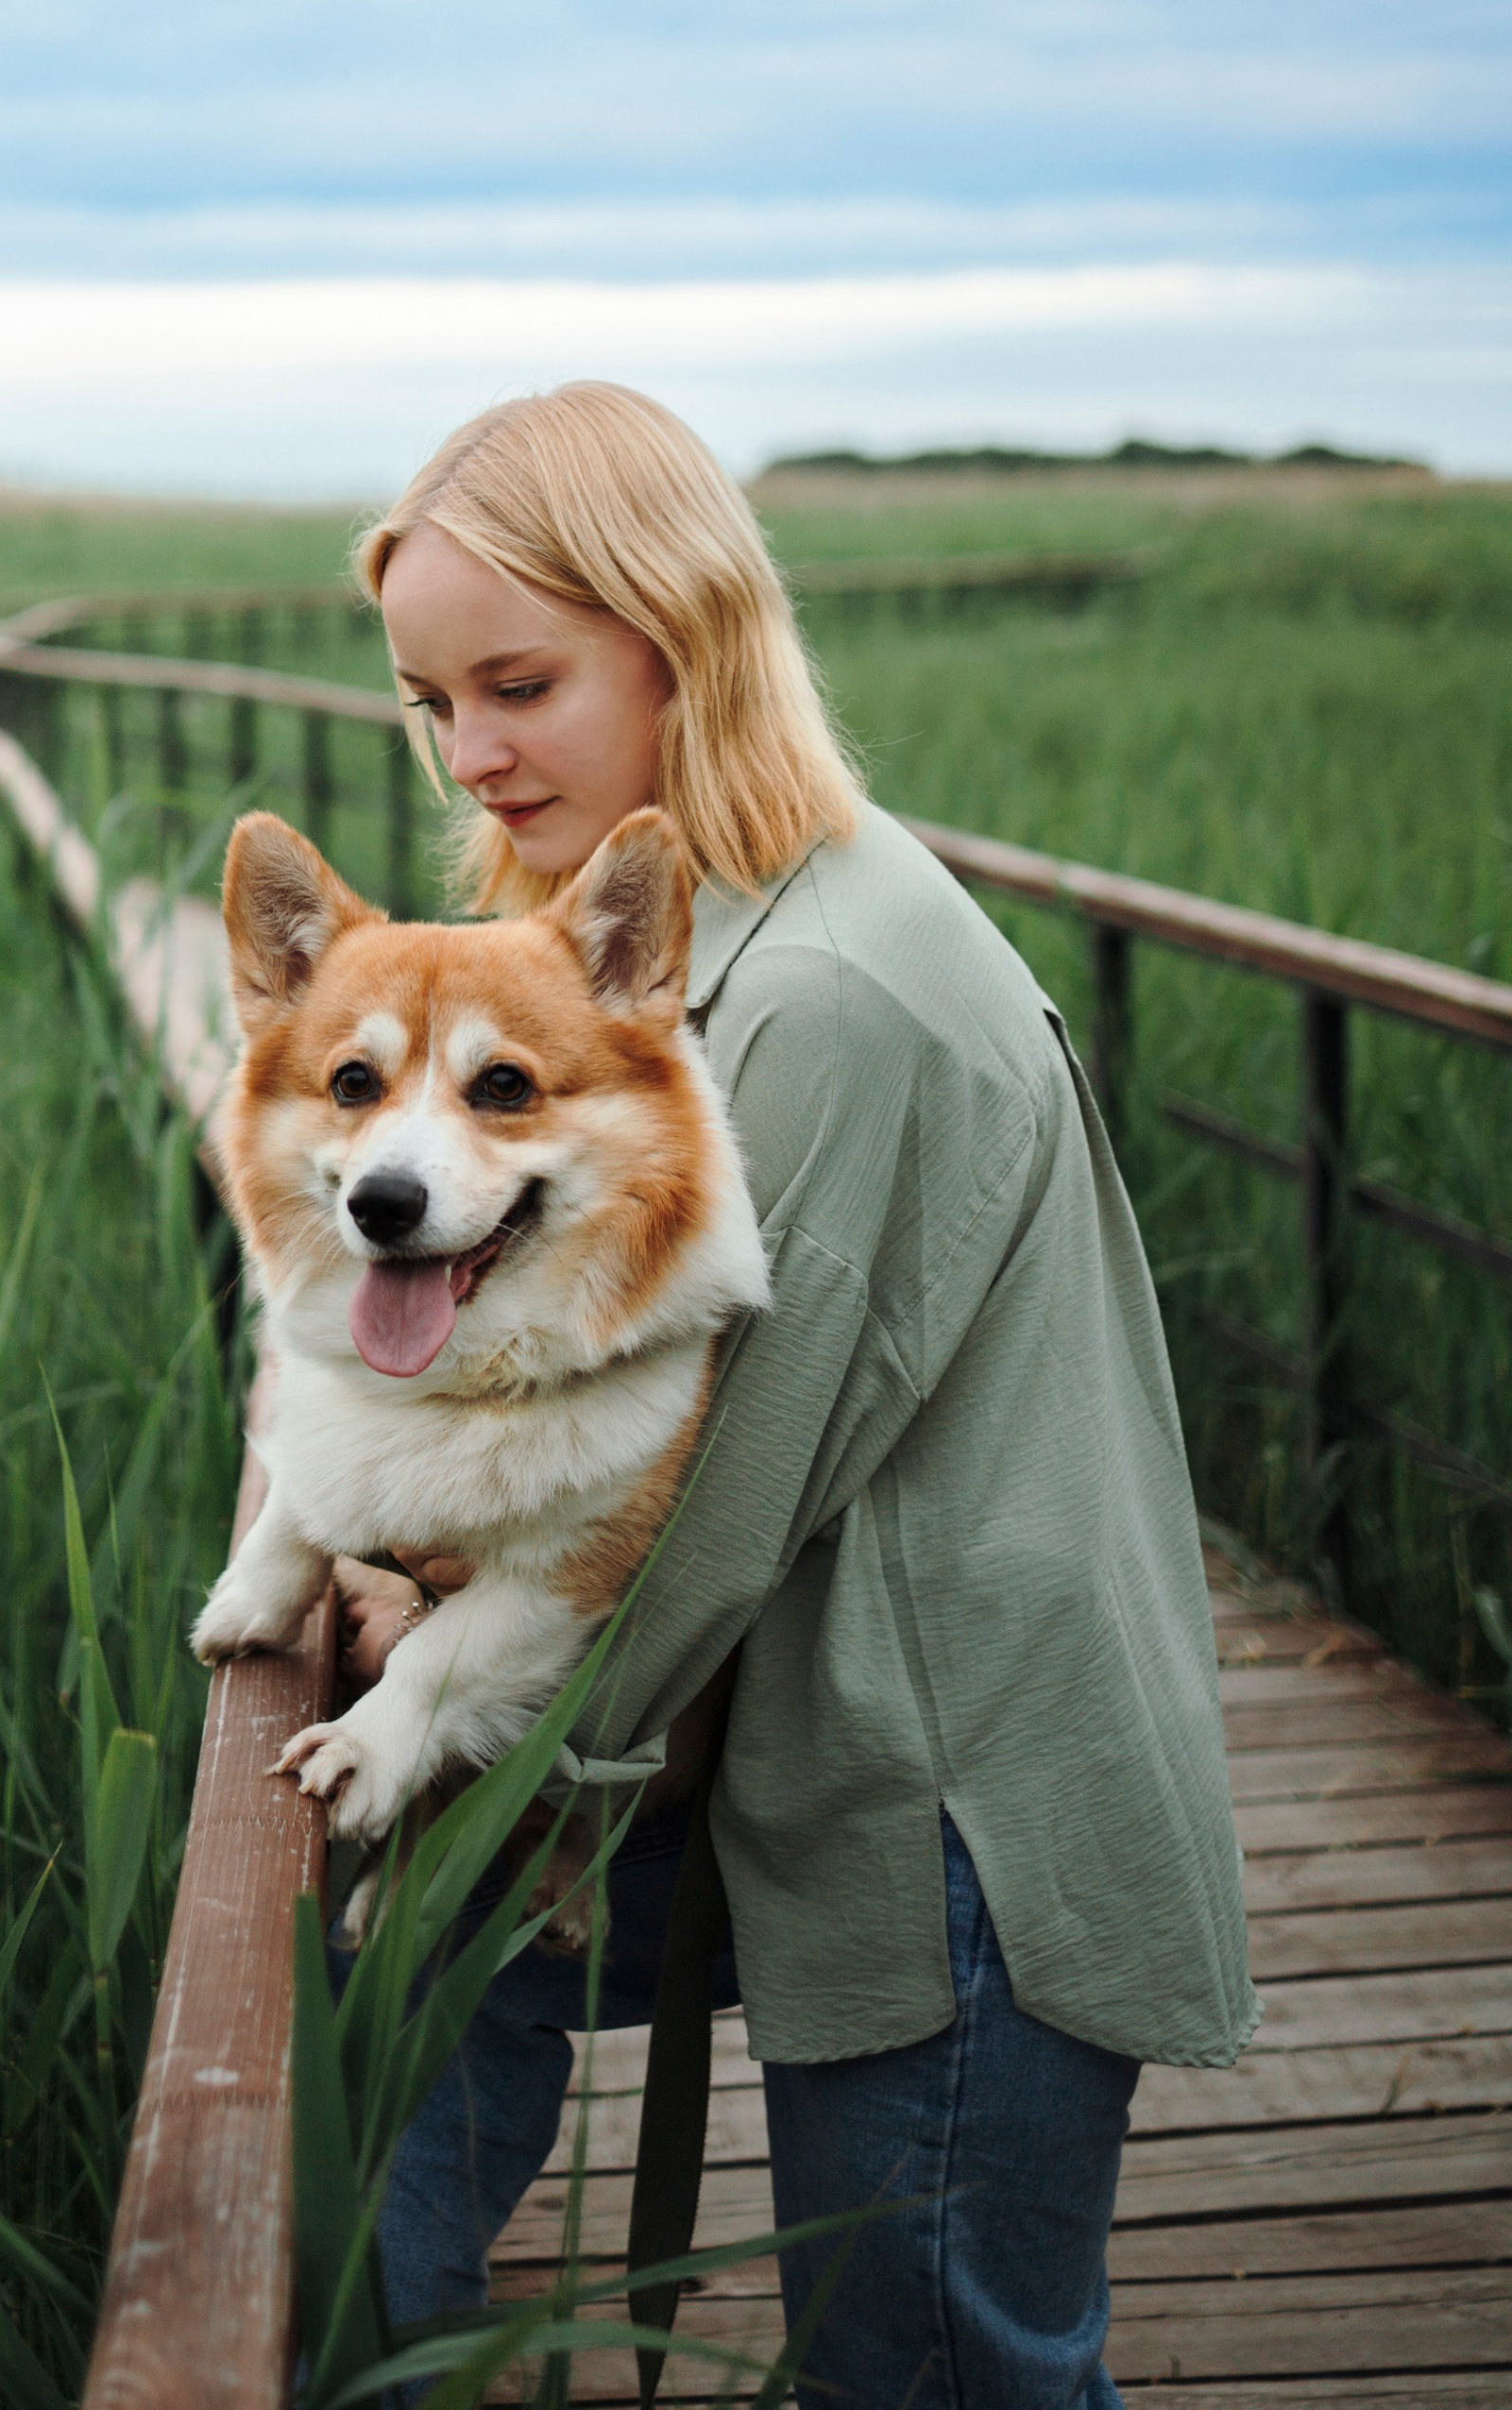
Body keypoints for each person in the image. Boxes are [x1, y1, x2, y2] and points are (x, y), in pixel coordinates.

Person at [331, 382, 1252, 2409]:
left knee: (933, 2377)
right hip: (814, 1724)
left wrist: (450, 1688)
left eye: (518, 686)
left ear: (686, 635)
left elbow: (699, 1511)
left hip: (956, 1807)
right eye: (430, 702)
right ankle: (340, 2338)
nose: (468, 753)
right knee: (401, 1985)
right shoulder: (718, 928)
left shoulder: (824, 991)